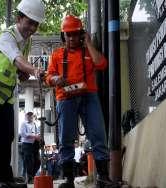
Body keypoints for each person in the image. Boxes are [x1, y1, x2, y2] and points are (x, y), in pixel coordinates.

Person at [0, 0, 45, 187]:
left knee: (8, 135)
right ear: (18, 18)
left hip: (4, 95)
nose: (32, 28)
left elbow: (19, 70)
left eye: (36, 24)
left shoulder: (26, 42)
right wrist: (34, 70)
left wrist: (23, 74)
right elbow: (18, 60)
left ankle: (5, 177)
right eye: (30, 22)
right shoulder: (6, 37)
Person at [46, 15, 114, 188]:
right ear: (63, 36)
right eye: (68, 35)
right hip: (65, 98)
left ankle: (103, 177)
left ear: (81, 34)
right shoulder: (57, 55)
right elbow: (49, 76)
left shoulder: (88, 53)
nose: (71, 38)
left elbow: (102, 64)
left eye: (75, 34)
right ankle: (68, 180)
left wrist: (89, 44)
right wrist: (55, 80)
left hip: (89, 95)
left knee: (98, 134)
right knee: (66, 138)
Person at [19, 112, 40, 183]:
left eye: (31, 116)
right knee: (29, 161)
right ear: (26, 116)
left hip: (35, 144)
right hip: (26, 144)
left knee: (38, 162)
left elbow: (37, 133)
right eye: (29, 116)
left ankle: (32, 176)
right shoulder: (23, 123)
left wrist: (38, 136)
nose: (30, 117)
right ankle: (29, 178)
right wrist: (34, 136)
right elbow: (23, 134)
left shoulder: (35, 124)